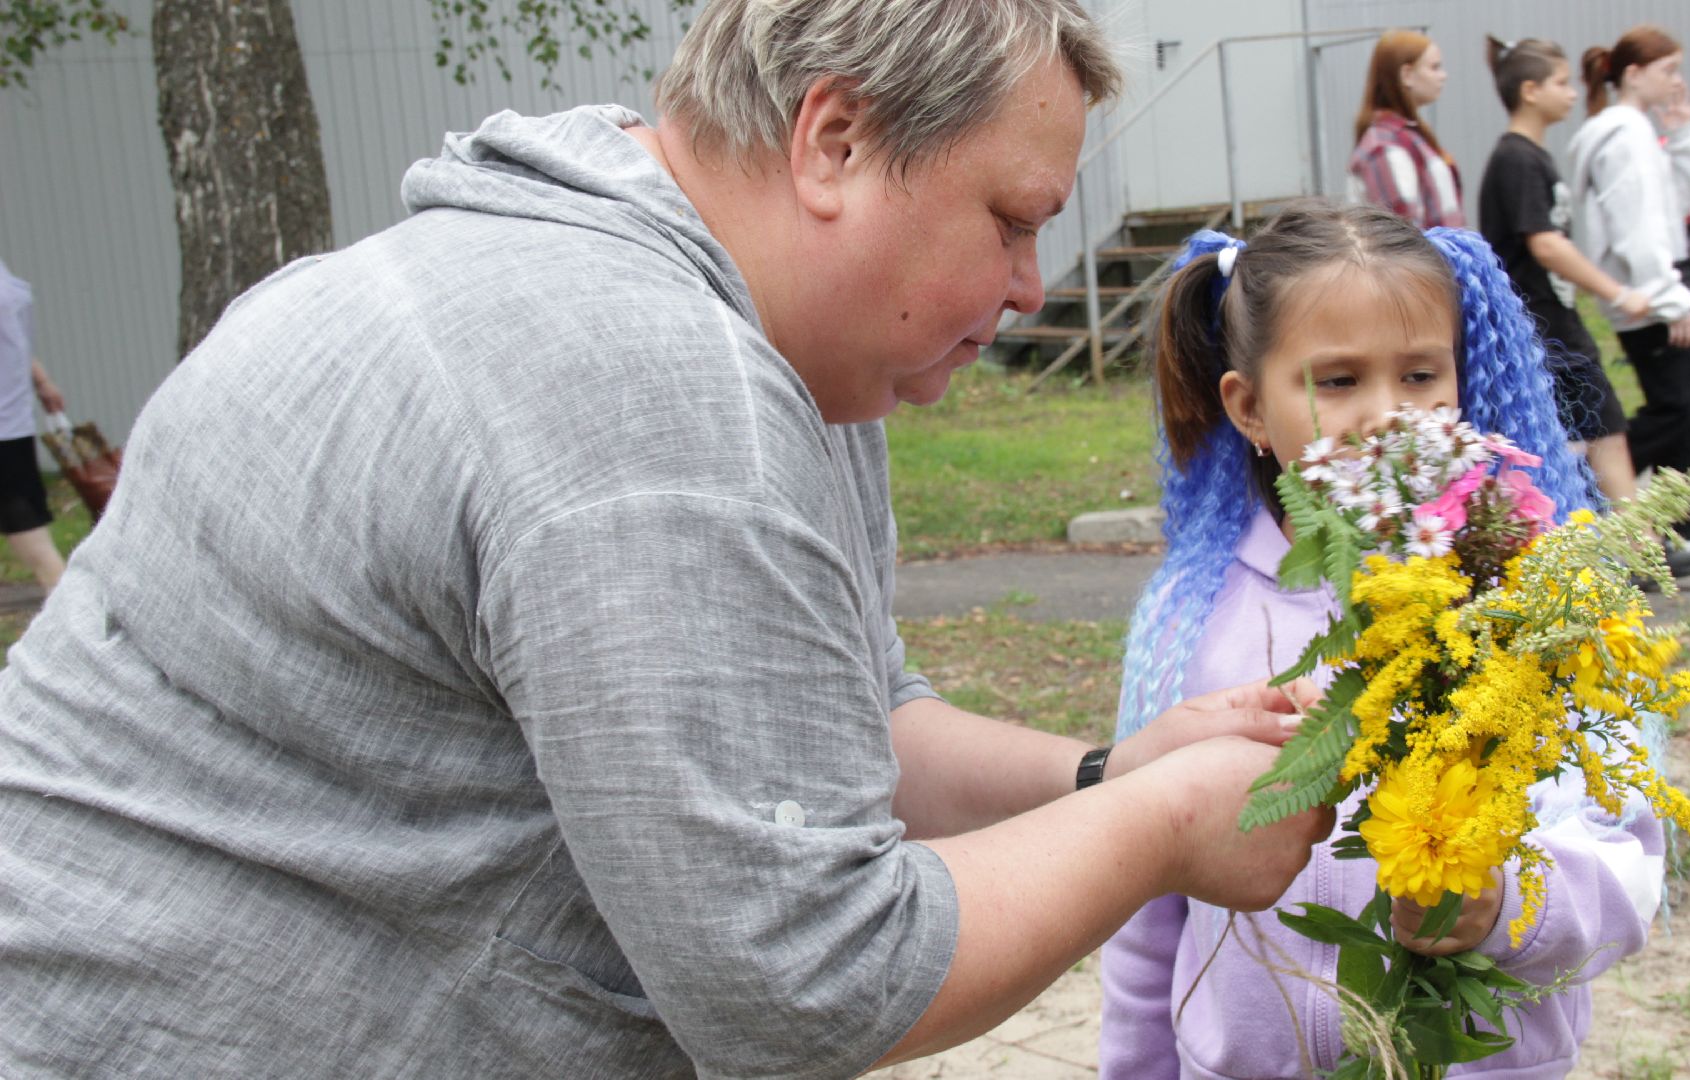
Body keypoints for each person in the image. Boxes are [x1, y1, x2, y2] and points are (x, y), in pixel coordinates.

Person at [0, 3, 1339, 1076]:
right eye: (1009, 216)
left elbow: (844, 723)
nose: (1030, 284)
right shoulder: (644, 374)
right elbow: (805, 980)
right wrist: (1163, 825)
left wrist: (1105, 772)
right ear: (834, 143)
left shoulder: (771, 342)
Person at [1098, 200, 1667, 1079]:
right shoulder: (1193, 616)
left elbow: (1627, 867)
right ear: (1249, 407)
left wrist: (1506, 901)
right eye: (1336, 381)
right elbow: (1143, 889)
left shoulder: (1529, 603)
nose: (1385, 415)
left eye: (1419, 376)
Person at [1478, 36, 1690, 580]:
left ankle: (1629, 549)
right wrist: (1619, 291)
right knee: (1600, 430)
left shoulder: (1531, 156)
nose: (1571, 92)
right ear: (1530, 91)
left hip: (1554, 319)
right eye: (1560, 83)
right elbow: (1546, 244)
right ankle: (1636, 553)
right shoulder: (1515, 158)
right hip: (1542, 323)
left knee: (1596, 431)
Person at [1568, 25, 1690, 565]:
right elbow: (1636, 225)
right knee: (1679, 408)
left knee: (1685, 407)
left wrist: (1685, 136)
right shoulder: (1623, 133)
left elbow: (1673, 203)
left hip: (1653, 283)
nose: (1676, 82)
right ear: (1633, 74)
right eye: (1668, 70)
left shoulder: (1635, 130)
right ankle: (1589, 480)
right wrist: (1668, 298)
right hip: (1650, 288)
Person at [1348, 30, 1465, 229]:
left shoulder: (1406, 137)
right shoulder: (1385, 146)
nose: (1443, 76)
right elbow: (1402, 238)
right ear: (1407, 75)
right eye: (1434, 67)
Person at [0, 258, 67, 592]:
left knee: (34, 538)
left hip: (11, 424)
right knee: (35, 542)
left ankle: (73, 626)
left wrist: (41, 381)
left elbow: (13, 332)